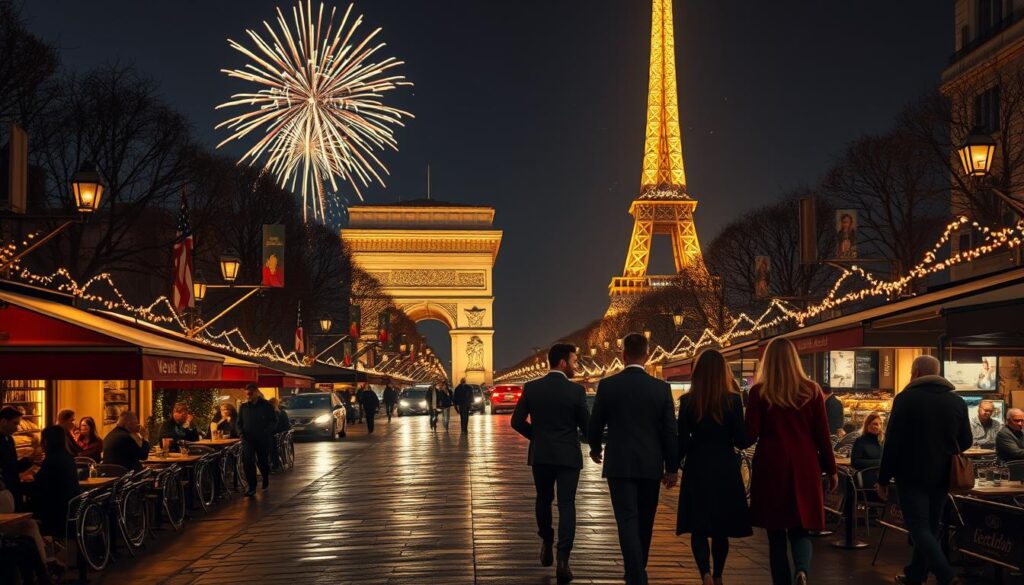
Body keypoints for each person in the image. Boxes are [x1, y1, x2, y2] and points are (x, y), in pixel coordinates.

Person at [745, 338, 837, 585]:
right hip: (805, 465)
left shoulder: (759, 392)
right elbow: (822, 435)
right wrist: (831, 468)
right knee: (801, 528)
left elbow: (750, 433)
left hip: (771, 466)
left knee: (775, 535)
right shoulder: (812, 391)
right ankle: (803, 570)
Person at [588, 333, 678, 585]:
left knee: (626, 519)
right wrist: (672, 467)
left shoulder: (608, 386)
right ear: (647, 356)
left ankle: (635, 572)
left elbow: (595, 424)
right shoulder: (661, 389)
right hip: (651, 464)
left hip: (619, 463)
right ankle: (638, 569)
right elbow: (671, 432)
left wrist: (595, 447)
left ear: (623, 355)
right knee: (646, 520)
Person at [877, 355, 970, 585]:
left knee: (918, 527)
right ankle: (916, 574)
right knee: (930, 527)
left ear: (916, 372)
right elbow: (966, 440)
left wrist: (883, 478)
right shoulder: (956, 401)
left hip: (910, 474)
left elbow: (893, 442)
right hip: (942, 475)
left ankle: (946, 575)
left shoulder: (905, 399)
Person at [512, 342, 589, 584]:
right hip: (568, 456)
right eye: (575, 361)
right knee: (567, 505)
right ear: (563, 362)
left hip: (542, 455)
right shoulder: (576, 392)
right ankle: (563, 559)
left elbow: (516, 421)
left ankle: (546, 539)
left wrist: (537, 436)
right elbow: (586, 428)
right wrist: (595, 445)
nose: (577, 365)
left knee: (543, 499)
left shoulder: (532, 388)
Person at [676, 349, 752, 585]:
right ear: (723, 372)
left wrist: (670, 467)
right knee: (721, 527)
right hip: (725, 468)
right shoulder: (733, 400)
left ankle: (705, 574)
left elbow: (681, 440)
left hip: (697, 466)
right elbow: (741, 439)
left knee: (698, 526)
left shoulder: (688, 401)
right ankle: (718, 575)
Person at [32, 425, 82, 537]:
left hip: (55, 514)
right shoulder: (68, 458)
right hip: (71, 510)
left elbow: (39, 487)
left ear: (46, 441)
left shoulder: (51, 460)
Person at [237, 384, 276, 496]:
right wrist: (240, 432)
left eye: (250, 394)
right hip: (248, 439)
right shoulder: (244, 407)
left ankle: (265, 476)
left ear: (256, 392)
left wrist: (267, 431)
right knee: (248, 461)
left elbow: (273, 420)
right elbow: (239, 422)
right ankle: (252, 487)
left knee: (262, 460)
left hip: (262, 438)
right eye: (246, 394)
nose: (248, 396)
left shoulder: (266, 406)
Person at [0, 406, 33, 511]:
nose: (17, 427)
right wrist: (29, 460)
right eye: (15, 423)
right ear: (4, 421)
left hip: (12, 485)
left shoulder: (9, 439)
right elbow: (8, 467)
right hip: (4, 488)